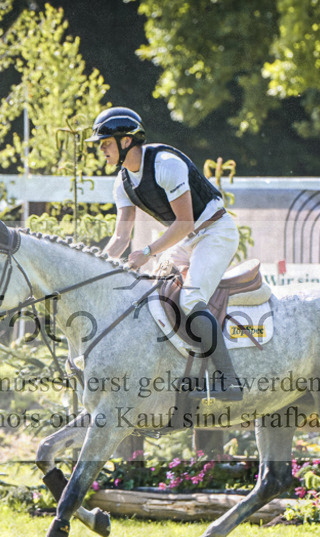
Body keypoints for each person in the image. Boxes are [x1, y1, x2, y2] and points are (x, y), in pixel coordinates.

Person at [88, 106, 243, 401]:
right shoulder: (122, 183)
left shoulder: (166, 165)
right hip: (186, 240)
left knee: (191, 299)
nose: (102, 150)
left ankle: (229, 381)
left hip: (215, 232)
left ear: (125, 142)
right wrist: (94, 266)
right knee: (150, 292)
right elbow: (121, 238)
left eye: (105, 143)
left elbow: (184, 222)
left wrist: (147, 251)